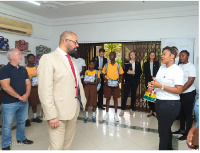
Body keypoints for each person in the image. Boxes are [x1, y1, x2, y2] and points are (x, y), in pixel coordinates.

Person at [37, 31, 86, 150]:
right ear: (65, 41)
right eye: (75, 42)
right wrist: (51, 115)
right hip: (57, 112)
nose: (77, 45)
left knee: (66, 144)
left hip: (73, 108)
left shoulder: (71, 60)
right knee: (57, 147)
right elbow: (44, 90)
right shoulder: (48, 59)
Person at [148, 46, 184, 150]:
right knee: (166, 129)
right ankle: (169, 149)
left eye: (164, 54)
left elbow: (179, 90)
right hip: (159, 101)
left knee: (162, 132)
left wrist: (161, 86)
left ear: (172, 56)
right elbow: (159, 82)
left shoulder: (177, 70)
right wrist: (153, 84)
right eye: (162, 54)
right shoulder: (161, 67)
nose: (162, 56)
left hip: (170, 104)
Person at [0, 48, 33, 150]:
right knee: (7, 125)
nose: (21, 56)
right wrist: (19, 97)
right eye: (19, 54)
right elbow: (5, 86)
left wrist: (27, 94)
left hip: (24, 101)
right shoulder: (4, 69)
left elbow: (28, 82)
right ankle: (5, 145)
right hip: (9, 103)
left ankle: (21, 138)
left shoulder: (23, 69)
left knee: (22, 121)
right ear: (11, 57)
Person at [172, 50, 196, 140]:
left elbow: (190, 81)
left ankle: (187, 133)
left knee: (188, 114)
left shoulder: (191, 67)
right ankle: (181, 130)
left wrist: (181, 90)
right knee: (180, 112)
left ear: (188, 57)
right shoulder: (179, 66)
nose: (181, 57)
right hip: (180, 92)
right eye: (180, 56)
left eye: (183, 56)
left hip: (188, 93)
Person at [102, 52, 124, 122]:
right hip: (108, 84)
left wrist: (119, 81)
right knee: (107, 98)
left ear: (115, 56)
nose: (110, 56)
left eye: (112, 55)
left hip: (115, 84)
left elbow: (121, 74)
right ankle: (107, 113)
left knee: (115, 99)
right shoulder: (106, 65)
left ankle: (115, 114)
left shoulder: (118, 65)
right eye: (109, 55)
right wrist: (105, 79)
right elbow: (103, 73)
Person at [119, 51, 142, 116]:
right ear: (129, 56)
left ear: (135, 56)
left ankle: (131, 109)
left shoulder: (137, 63)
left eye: (133, 54)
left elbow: (140, 72)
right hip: (128, 81)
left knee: (133, 95)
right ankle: (122, 109)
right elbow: (123, 72)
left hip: (134, 81)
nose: (132, 56)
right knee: (125, 95)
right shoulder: (126, 63)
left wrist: (134, 73)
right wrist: (127, 72)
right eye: (131, 55)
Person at [25, 54, 42, 127]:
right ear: (27, 59)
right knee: (27, 104)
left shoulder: (36, 67)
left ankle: (35, 117)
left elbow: (39, 75)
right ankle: (26, 119)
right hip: (27, 88)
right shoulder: (24, 68)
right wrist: (28, 80)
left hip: (35, 87)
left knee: (34, 103)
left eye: (33, 58)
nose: (32, 60)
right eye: (30, 58)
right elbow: (22, 78)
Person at [143, 51, 159, 117]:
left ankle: (155, 111)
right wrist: (151, 77)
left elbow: (158, 72)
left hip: (155, 82)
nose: (152, 56)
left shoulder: (157, 63)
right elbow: (145, 72)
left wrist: (154, 78)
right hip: (148, 81)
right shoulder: (146, 63)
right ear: (149, 56)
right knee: (149, 96)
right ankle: (151, 110)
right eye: (151, 55)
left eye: (153, 55)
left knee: (154, 96)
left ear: (155, 56)